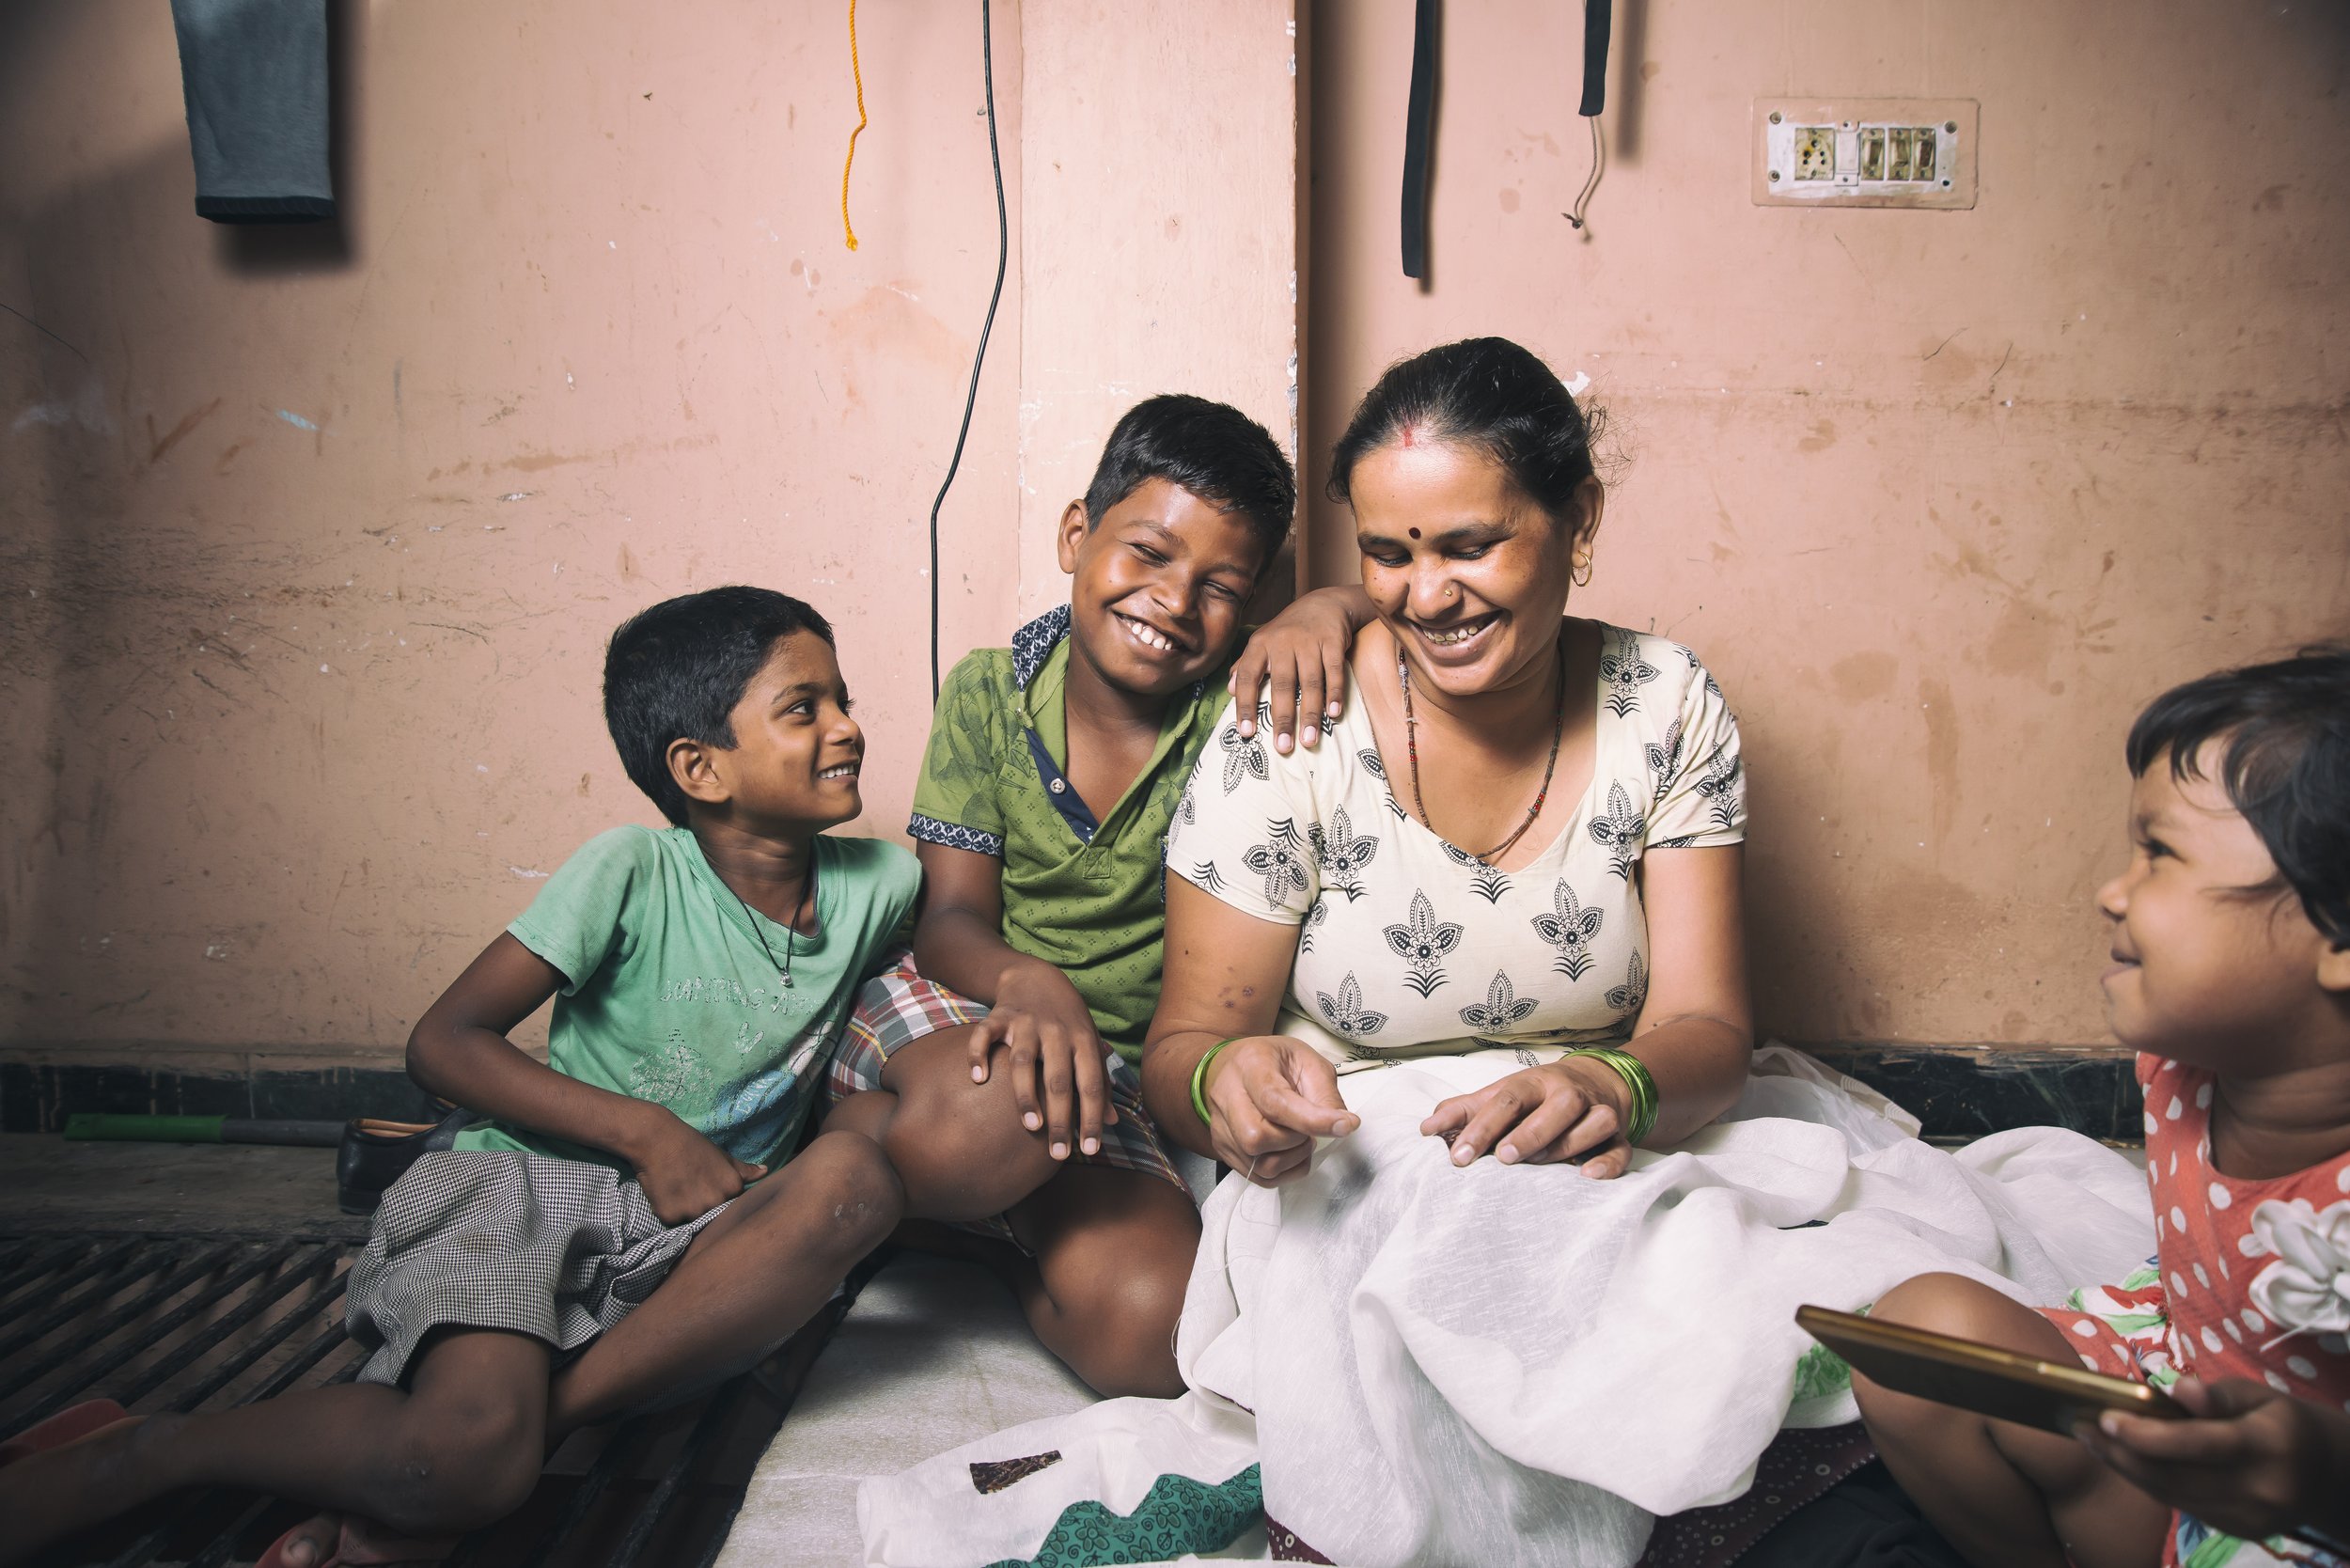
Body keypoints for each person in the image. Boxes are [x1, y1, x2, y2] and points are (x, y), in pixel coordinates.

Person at [0, 587, 919, 1568]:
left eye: (845, 699)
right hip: (527, 1195)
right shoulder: (632, 869)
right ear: (698, 768)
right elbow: (444, 1043)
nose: (848, 728)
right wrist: (650, 1133)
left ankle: (520, 1438)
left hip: (699, 1232)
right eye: (804, 708)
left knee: (855, 1185)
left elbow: (941, 981)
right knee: (462, 1458)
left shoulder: (883, 883)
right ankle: (148, 1451)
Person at [823, 393, 1372, 1396]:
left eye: (1221, 586)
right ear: (1077, 534)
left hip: (1113, 1078)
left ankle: (978, 1240)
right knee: (992, 1126)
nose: (1172, 600)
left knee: (1160, 1341)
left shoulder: (1239, 719)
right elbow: (948, 921)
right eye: (1149, 555)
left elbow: (1404, 600)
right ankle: (855, 1167)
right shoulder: (987, 692)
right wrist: (1034, 987)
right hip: (972, 1008)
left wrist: (1325, 607)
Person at [1143, 336, 1752, 1196]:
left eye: (1468, 548)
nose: (1425, 599)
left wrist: (1611, 1085)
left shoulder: (1666, 703)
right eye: (1388, 555)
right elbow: (1180, 1052)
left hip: (1607, 1154)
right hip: (1359, 1168)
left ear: (1579, 518)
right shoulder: (1288, 721)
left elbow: (1709, 1027)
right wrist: (1223, 1086)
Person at [1851, 647, 2350, 1568]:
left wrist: (2323, 1469)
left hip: (2308, 1515)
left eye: (2158, 853)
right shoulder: (2184, 1064)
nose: (2110, 892)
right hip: (2174, 1404)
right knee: (1914, 1343)